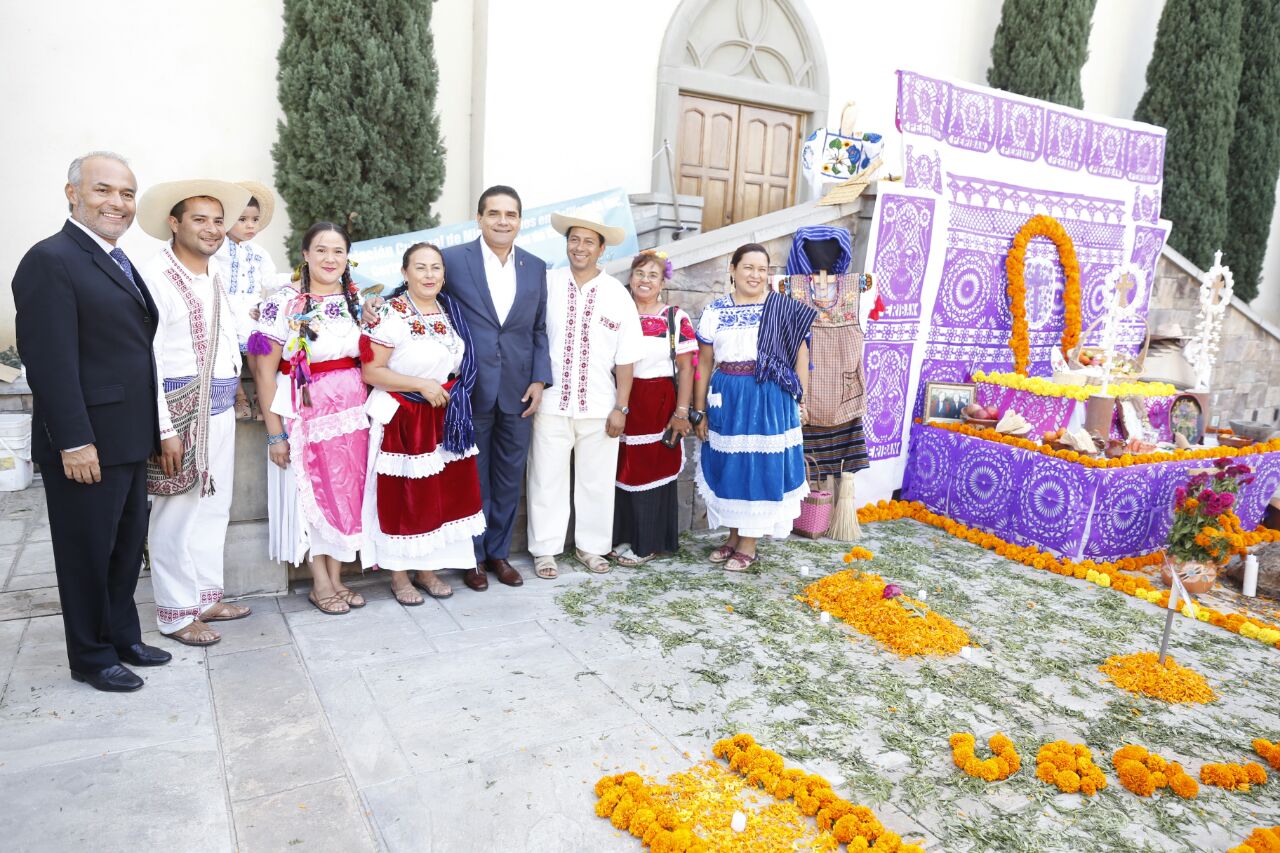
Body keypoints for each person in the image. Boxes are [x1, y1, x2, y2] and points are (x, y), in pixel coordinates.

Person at [11, 151, 170, 691]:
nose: (117, 203)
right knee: (86, 554)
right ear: (72, 193)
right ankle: (90, 655)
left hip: (126, 437)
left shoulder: (115, 259)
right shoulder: (51, 259)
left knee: (125, 548)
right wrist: (75, 441)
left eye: (126, 194)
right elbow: (51, 363)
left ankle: (122, 634)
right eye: (103, 190)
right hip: (86, 443)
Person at [136, 179, 254, 645]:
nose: (211, 229)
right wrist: (164, 428)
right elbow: (150, 356)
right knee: (175, 513)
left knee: (213, 506)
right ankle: (175, 613)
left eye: (217, 221)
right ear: (174, 223)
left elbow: (235, 333)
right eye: (199, 220)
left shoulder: (214, 274)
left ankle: (206, 596)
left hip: (221, 407)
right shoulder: (156, 276)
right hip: (179, 411)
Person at [250, 222, 370, 615]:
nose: (329, 259)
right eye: (321, 250)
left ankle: (338, 577)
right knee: (312, 492)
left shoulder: (355, 300)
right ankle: (320, 583)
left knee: (346, 492)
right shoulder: (284, 302)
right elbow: (263, 370)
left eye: (337, 251)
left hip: (352, 415)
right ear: (304, 254)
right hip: (305, 414)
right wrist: (275, 435)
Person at [440, 186, 552, 591]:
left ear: (520, 220)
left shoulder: (537, 267)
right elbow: (419, 296)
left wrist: (540, 379)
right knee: (472, 477)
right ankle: (471, 559)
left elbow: (538, 328)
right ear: (479, 218)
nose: (503, 221)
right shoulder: (453, 261)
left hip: (520, 391)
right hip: (470, 389)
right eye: (494, 214)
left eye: (511, 214)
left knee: (508, 477)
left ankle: (498, 554)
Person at [360, 243, 484, 604]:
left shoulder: (450, 310)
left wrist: (440, 389)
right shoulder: (390, 313)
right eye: (420, 268)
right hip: (405, 414)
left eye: (436, 268)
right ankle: (399, 575)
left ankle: (427, 569)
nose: (429, 275)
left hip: (444, 414)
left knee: (438, 496)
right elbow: (372, 370)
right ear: (404, 273)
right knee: (404, 498)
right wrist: (421, 385)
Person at [526, 214, 642, 578]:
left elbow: (626, 358)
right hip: (552, 402)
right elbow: (530, 337)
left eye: (588, 241)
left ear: (601, 248)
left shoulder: (617, 294)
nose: (579, 247)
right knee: (546, 478)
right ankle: (545, 550)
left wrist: (621, 407)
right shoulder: (547, 284)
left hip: (600, 405)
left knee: (596, 481)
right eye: (574, 240)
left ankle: (591, 548)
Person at [693, 243, 816, 571]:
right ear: (732, 270)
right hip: (727, 397)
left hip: (769, 397)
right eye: (748, 267)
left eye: (762, 269)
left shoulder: (782, 309)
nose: (756, 275)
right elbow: (704, 363)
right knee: (731, 466)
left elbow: (802, 355)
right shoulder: (715, 311)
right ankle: (734, 536)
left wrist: (800, 399)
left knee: (759, 467)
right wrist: (699, 409)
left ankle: (749, 542)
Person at [611, 250, 697, 566]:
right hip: (622, 398)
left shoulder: (674, 318)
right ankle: (624, 536)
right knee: (623, 468)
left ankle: (648, 542)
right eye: (639, 273)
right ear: (630, 278)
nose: (645, 280)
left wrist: (681, 412)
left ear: (662, 282)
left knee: (650, 470)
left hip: (658, 402)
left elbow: (687, 369)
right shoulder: (619, 314)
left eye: (652, 275)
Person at [215, 181, 278, 420]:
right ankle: (239, 395)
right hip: (225, 307)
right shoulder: (217, 248)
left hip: (251, 309)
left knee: (256, 350)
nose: (250, 225)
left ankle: (261, 396)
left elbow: (270, 280)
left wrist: (297, 277)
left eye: (254, 220)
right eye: (242, 219)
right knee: (227, 351)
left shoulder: (259, 253)